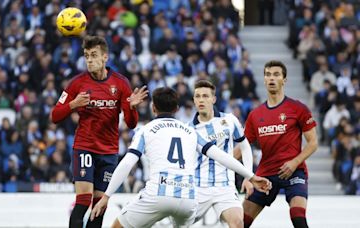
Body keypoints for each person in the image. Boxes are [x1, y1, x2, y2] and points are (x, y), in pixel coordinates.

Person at [90, 87, 272, 228]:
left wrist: (106, 196)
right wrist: (250, 175)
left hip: (157, 194)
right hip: (188, 198)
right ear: (177, 109)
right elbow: (220, 156)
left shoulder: (146, 130)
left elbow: (128, 162)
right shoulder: (190, 131)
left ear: (153, 108)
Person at [51, 35, 148, 228]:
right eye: (86, 56)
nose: (89, 60)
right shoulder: (77, 83)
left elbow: (131, 123)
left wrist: (132, 108)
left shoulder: (120, 84)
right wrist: (73, 104)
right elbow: (55, 115)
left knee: (99, 206)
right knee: (84, 200)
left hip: (109, 153)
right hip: (84, 147)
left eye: (94, 55)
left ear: (105, 57)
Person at [242, 60, 318, 228]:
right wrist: (217, 160)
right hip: (265, 174)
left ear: (284, 80)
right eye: (268, 74)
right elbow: (243, 147)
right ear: (264, 80)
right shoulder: (255, 115)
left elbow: (313, 143)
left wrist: (294, 162)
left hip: (293, 171)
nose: (271, 78)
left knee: (298, 216)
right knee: (240, 222)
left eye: (276, 74)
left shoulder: (298, 108)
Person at [191, 79, 254, 228]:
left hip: (225, 186)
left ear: (213, 99)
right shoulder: (189, 129)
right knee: (177, 223)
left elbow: (245, 146)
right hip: (198, 187)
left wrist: (248, 175)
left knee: (238, 223)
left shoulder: (229, 120)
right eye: (197, 96)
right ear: (194, 100)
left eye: (205, 96)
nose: (201, 100)